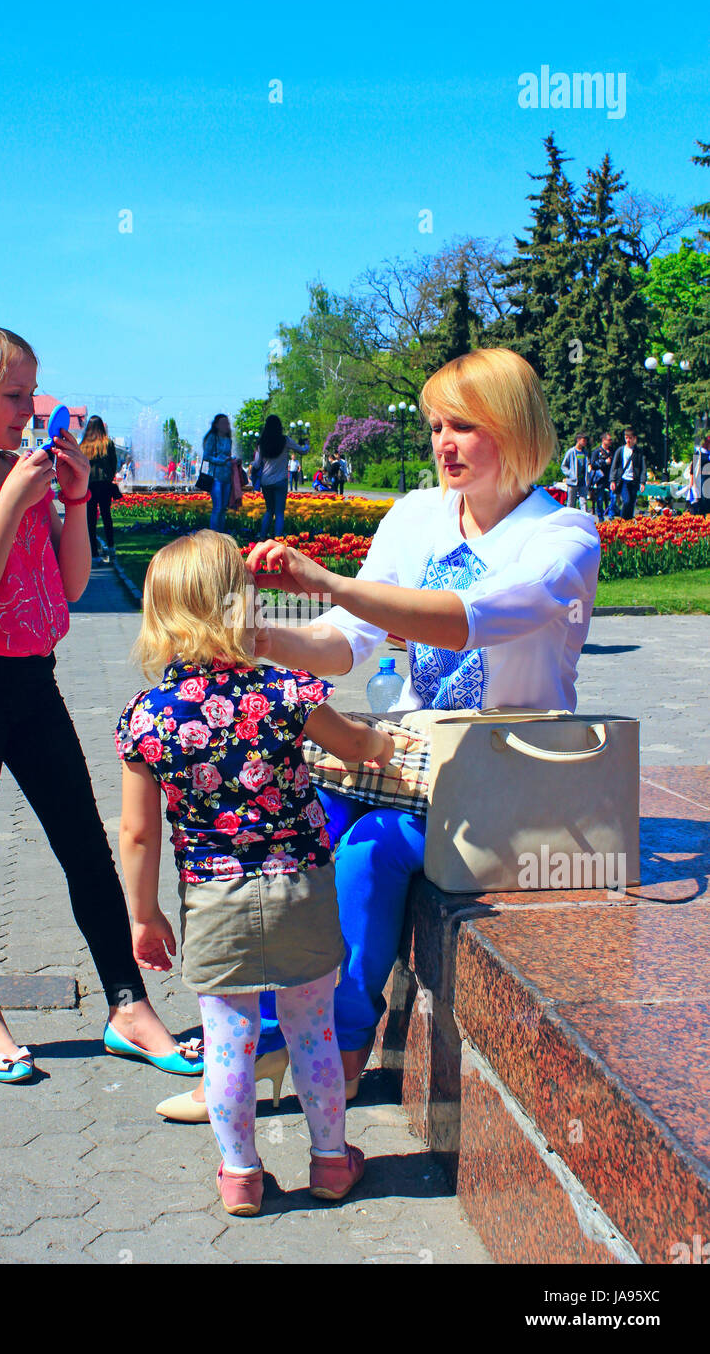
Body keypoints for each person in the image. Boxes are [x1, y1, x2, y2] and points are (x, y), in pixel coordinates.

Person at [156, 346, 600, 1116]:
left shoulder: (563, 538)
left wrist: (330, 580)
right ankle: (264, 1045)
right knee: (297, 828)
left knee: (369, 850)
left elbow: (470, 622)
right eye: (435, 425)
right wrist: (253, 639)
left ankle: (342, 1047)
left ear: (515, 427)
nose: (442, 442)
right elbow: (343, 642)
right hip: (412, 768)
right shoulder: (417, 516)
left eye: (464, 424)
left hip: (510, 781)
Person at [0, 321, 202, 1084]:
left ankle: (128, 1007)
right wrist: (9, 504)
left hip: (33, 678)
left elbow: (68, 585)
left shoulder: (20, 470)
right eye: (14, 394)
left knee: (83, 843)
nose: (30, 409)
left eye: (33, 391)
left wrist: (75, 497)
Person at [115, 531, 396, 1213]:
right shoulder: (286, 692)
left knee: (228, 1039)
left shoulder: (148, 719)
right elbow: (357, 747)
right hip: (301, 887)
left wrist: (144, 915)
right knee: (313, 1031)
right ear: (241, 608)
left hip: (214, 900)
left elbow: (138, 832)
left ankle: (240, 1174)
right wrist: (385, 743)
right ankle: (332, 1162)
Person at [252, 415, 308, 539]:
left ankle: (262, 537)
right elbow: (302, 451)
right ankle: (278, 539)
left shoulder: (262, 443)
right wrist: (307, 445)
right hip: (281, 480)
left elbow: (256, 463)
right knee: (279, 512)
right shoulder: (285, 440)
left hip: (266, 481)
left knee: (269, 510)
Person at [80, 416, 117, 565]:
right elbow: (113, 463)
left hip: (88, 485)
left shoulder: (83, 446)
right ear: (102, 427)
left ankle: (94, 554)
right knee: (107, 516)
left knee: (90, 520)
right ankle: (111, 548)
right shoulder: (107, 443)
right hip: (105, 485)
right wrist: (108, 477)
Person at [201, 413, 234, 531]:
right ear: (217, 425)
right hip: (216, 477)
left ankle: (221, 533)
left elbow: (228, 456)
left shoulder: (228, 440)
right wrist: (221, 461)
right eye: (224, 423)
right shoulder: (212, 438)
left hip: (227, 477)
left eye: (227, 423)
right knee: (218, 507)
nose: (227, 425)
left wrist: (233, 460)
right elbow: (206, 456)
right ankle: (214, 533)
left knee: (224, 507)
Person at [610, 429, 646, 520]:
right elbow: (614, 466)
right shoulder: (621, 450)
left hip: (634, 480)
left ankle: (628, 522)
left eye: (630, 438)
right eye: (626, 438)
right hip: (623, 480)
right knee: (626, 501)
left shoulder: (638, 451)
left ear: (635, 439)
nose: (628, 440)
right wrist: (612, 480)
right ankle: (622, 520)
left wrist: (642, 482)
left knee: (631, 503)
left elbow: (643, 467)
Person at [561, 433, 590, 511]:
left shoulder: (585, 452)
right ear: (578, 440)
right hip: (572, 482)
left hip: (583, 481)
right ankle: (569, 519)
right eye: (583, 440)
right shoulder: (571, 452)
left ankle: (584, 519)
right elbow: (563, 466)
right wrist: (570, 474)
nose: (585, 442)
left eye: (586, 440)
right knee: (571, 502)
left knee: (583, 501)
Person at [589, 432, 614, 519]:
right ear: (603, 440)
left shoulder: (611, 452)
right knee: (599, 498)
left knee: (613, 496)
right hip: (600, 478)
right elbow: (593, 464)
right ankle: (600, 517)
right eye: (609, 440)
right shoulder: (596, 452)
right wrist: (604, 462)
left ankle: (611, 515)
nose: (611, 441)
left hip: (610, 478)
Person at [688, 433, 710, 516]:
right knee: (702, 503)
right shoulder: (699, 452)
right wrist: (692, 482)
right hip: (701, 480)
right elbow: (693, 469)